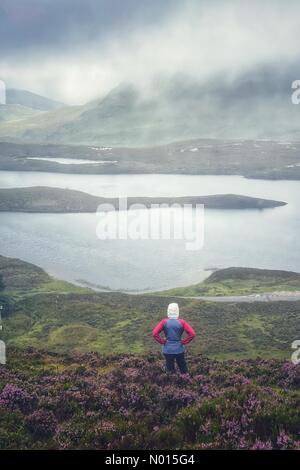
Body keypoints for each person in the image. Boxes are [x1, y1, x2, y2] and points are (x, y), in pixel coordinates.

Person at [152, 303, 196, 374]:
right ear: (177, 311)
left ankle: (171, 383)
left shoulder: (164, 322)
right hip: (179, 349)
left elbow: (154, 333)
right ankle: (185, 383)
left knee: (170, 370)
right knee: (183, 369)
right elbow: (192, 334)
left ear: (168, 311)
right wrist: (183, 342)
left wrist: (163, 341)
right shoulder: (182, 322)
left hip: (167, 349)